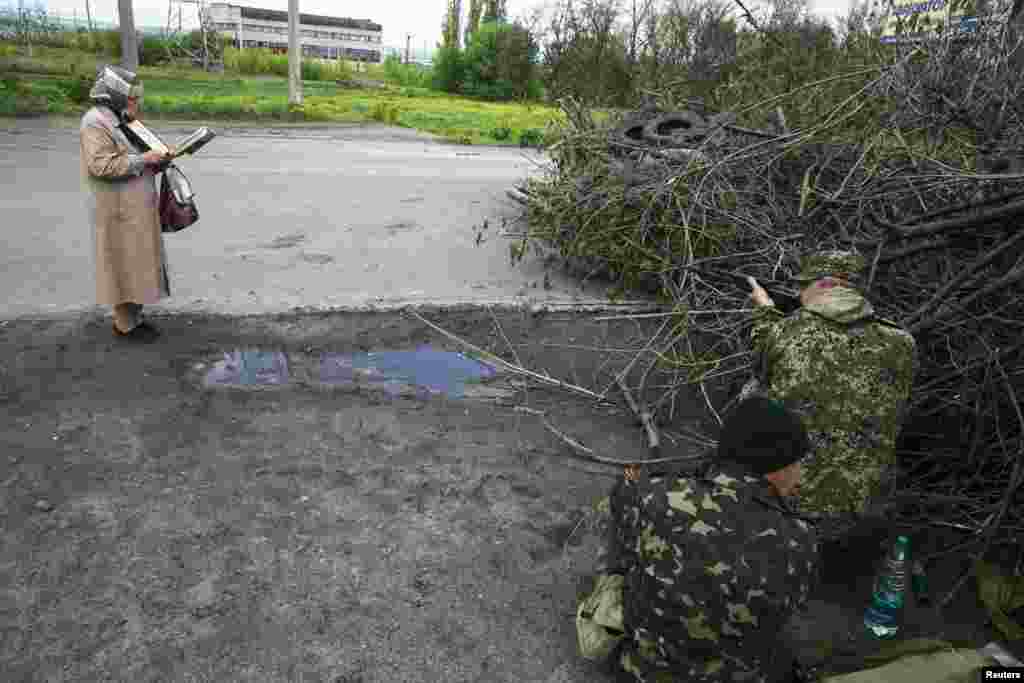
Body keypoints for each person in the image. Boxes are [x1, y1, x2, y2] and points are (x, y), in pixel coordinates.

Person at [594, 396, 819, 683]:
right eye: (798, 463)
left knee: (624, 534)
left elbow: (622, 499)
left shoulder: (653, 495)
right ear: (778, 468)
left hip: (640, 673)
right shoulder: (801, 543)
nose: (801, 475)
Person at [744, 250, 917, 524]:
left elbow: (763, 365)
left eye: (803, 286)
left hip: (791, 508)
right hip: (865, 510)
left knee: (752, 397)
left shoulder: (787, 332)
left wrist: (765, 310)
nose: (800, 294)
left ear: (822, 284)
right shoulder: (903, 343)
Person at [80, 65, 173, 342]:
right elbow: (101, 166)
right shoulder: (95, 121)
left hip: (135, 206)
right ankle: (125, 325)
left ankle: (135, 317)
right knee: (122, 263)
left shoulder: (120, 118)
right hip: (117, 209)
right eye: (132, 99)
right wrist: (145, 160)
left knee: (138, 262)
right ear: (114, 95)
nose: (136, 103)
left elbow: (137, 155)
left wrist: (157, 160)